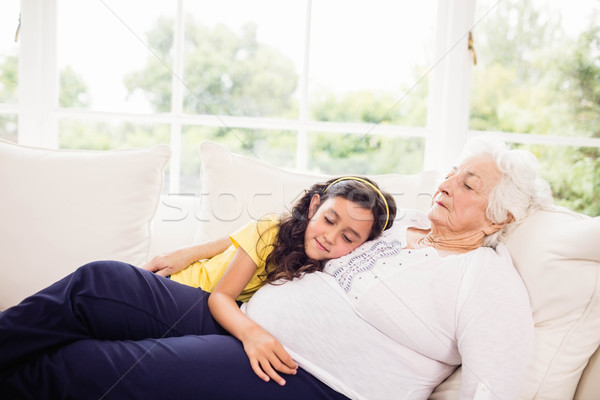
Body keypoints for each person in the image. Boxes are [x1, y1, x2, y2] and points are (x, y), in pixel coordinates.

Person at [1, 136, 551, 400]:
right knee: (102, 283)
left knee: (93, 367)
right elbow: (283, 224)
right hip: (242, 322)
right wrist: (197, 252)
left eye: (468, 183)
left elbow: (493, 389)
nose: (447, 184)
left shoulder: (486, 281)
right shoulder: (402, 220)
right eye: (452, 172)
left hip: (305, 376)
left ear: (500, 215)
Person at [0, 176, 396, 399]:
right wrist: (251, 333)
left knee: (81, 356)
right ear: (313, 207)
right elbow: (224, 293)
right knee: (98, 283)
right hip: (202, 296)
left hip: (218, 318)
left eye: (349, 237)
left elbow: (237, 243)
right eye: (329, 220)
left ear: (363, 246)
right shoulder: (273, 231)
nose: (332, 239)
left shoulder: (339, 263)